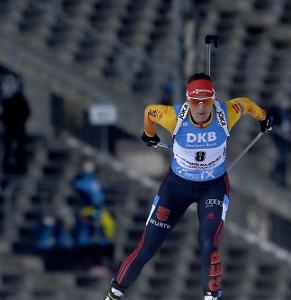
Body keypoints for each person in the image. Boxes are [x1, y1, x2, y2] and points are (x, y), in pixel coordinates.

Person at [104, 73, 272, 300]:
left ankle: (211, 296)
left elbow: (246, 104)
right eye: (195, 102)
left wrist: (263, 117)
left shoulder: (226, 113)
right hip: (177, 187)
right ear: (188, 100)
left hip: (213, 187)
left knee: (208, 245)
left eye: (206, 102)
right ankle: (113, 295)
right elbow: (149, 112)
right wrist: (149, 134)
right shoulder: (174, 116)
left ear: (213, 99)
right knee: (146, 248)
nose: (201, 108)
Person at [0, 75, 31, 173]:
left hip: (18, 127)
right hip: (10, 128)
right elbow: (5, 113)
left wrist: (18, 121)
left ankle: (20, 167)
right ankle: (8, 167)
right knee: (8, 148)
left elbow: (26, 112)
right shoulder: (8, 100)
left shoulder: (19, 99)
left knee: (19, 148)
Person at [269, 103, 291, 187]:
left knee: (283, 159)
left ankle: (278, 177)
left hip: (286, 140)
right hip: (280, 138)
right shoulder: (276, 111)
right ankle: (278, 177)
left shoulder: (290, 114)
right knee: (282, 158)